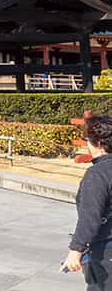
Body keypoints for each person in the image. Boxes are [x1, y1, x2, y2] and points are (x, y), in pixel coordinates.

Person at [63, 115, 112, 284]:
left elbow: (90, 217)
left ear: (97, 144)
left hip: (106, 251)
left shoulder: (97, 174)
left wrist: (76, 250)